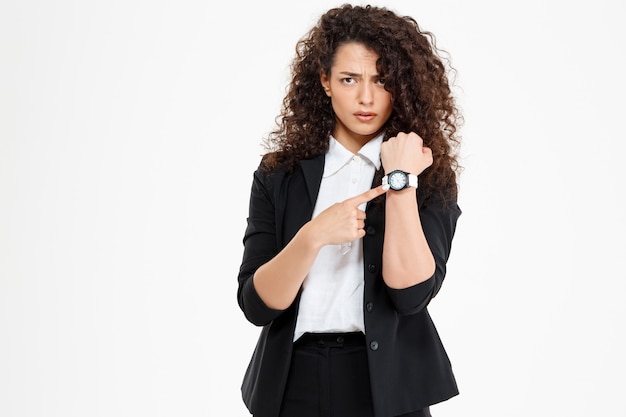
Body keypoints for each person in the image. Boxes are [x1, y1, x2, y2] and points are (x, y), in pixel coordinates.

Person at [236, 4, 462, 417]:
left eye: (382, 80)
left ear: (403, 85)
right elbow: (257, 305)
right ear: (325, 82)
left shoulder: (425, 172)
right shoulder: (278, 174)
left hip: (387, 385)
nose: (366, 97)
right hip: (292, 381)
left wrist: (401, 183)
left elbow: (410, 295)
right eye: (349, 79)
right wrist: (313, 235)